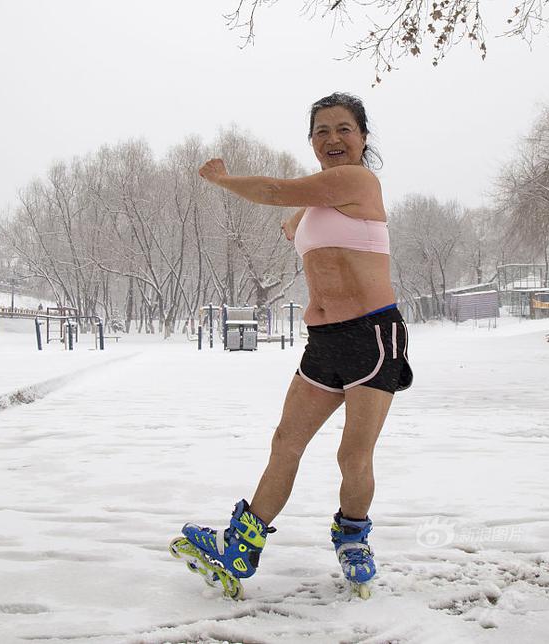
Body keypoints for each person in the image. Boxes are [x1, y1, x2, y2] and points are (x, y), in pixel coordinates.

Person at [170, 92, 413, 600]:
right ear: (312, 141)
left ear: (363, 138)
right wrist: (296, 222)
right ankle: (241, 544)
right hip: (323, 341)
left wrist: (222, 180)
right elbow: (294, 218)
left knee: (354, 454)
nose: (332, 139)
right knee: (287, 442)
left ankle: (353, 539)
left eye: (344, 129)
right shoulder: (316, 204)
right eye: (321, 131)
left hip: (372, 335)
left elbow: (275, 189)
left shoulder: (359, 181)